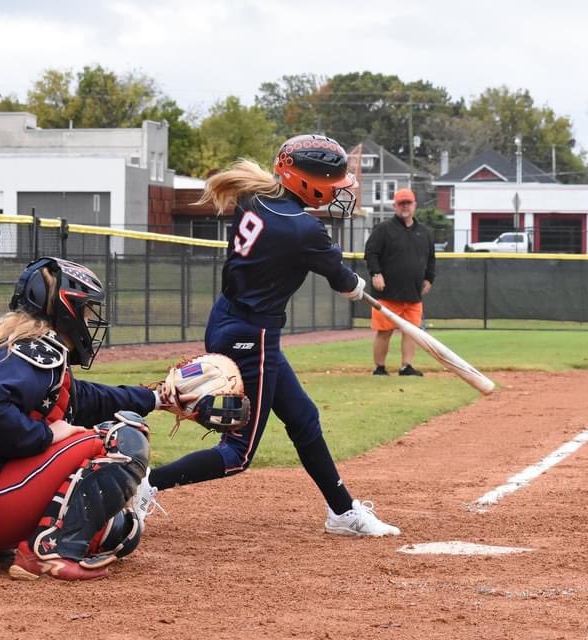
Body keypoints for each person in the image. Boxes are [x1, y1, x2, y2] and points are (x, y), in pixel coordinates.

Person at [147, 134, 400, 537]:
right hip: (253, 335)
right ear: (304, 180)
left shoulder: (256, 198)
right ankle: (141, 486)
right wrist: (354, 283)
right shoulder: (302, 229)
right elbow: (343, 280)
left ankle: (342, 511)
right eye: (332, 179)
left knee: (303, 418)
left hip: (229, 319)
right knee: (237, 453)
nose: (340, 187)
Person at [0, 257, 163, 581]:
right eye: (85, 310)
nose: (88, 320)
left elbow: (83, 399)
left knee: (119, 532)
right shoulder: (33, 352)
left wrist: (157, 398)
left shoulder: (23, 349)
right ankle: (51, 550)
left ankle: (36, 542)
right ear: (65, 308)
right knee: (123, 438)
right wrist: (47, 434)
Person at [364, 188, 436, 377]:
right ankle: (379, 368)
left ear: (415, 205)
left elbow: (431, 258)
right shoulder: (384, 229)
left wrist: (429, 278)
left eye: (408, 203)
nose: (405, 207)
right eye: (401, 203)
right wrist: (376, 273)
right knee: (384, 331)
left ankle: (406, 366)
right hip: (387, 293)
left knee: (411, 332)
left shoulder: (424, 232)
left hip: (413, 293)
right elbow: (371, 253)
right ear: (395, 206)